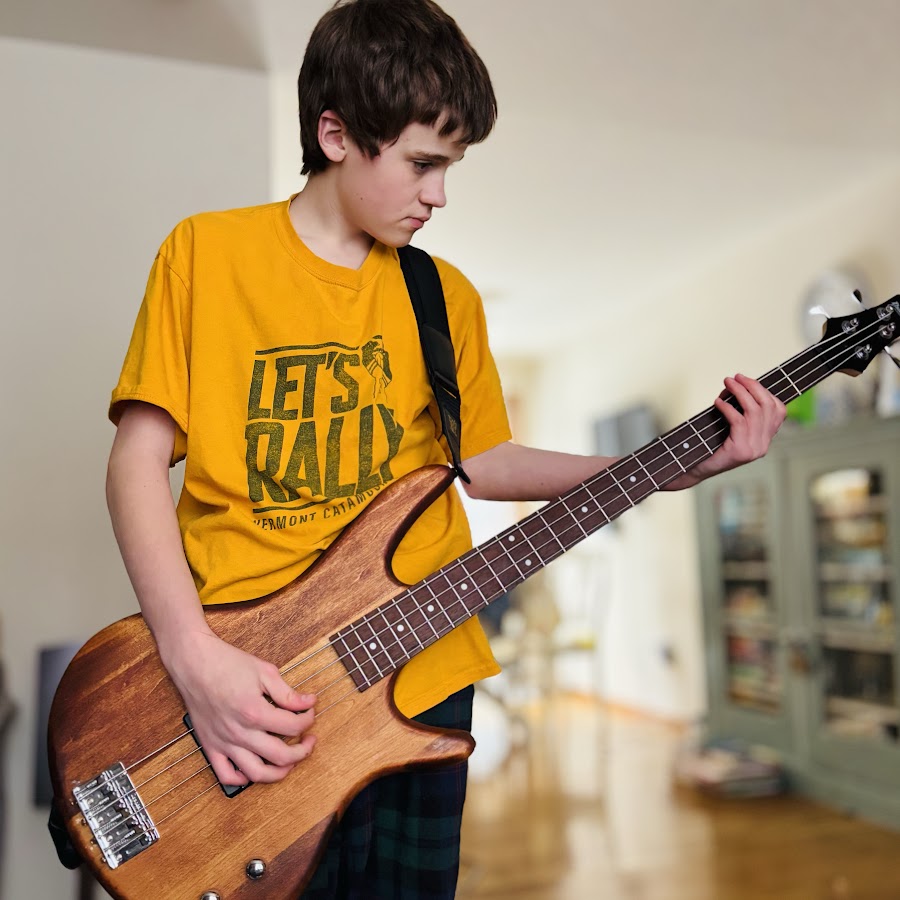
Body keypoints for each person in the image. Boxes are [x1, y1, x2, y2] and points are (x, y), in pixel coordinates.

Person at [105, 0, 786, 896]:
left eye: (449, 168)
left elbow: (488, 463)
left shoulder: (443, 297)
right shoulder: (206, 253)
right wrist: (192, 656)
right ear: (336, 135)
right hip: (253, 672)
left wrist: (668, 469)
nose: (439, 195)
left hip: (422, 675)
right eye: (423, 163)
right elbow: (135, 462)